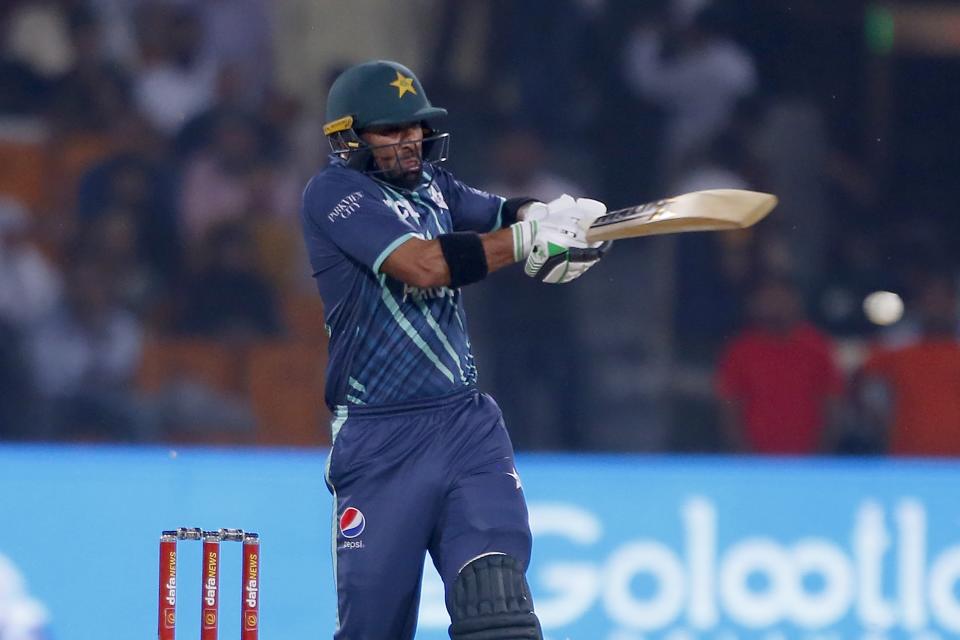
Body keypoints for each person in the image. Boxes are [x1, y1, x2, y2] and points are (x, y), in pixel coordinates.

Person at [299, 60, 610, 639]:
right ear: (348, 138)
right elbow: (423, 264)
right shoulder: (333, 194)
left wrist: (547, 213)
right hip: (379, 439)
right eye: (391, 131)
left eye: (415, 126)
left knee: (498, 610)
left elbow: (496, 213)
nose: (409, 140)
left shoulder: (433, 186)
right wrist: (526, 240)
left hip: (465, 426)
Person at [715, 276, 844, 454]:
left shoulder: (817, 347)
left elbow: (832, 402)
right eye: (767, 299)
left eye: (780, 299)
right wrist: (742, 453)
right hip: (755, 460)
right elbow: (730, 406)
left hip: (807, 460)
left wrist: (822, 453)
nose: (774, 306)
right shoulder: (740, 351)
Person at [859, 273, 960, 456]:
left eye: (943, 300)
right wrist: (881, 425)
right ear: (920, 304)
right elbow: (864, 383)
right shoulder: (897, 345)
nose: (936, 307)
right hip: (908, 460)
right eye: (930, 300)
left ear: (953, 303)